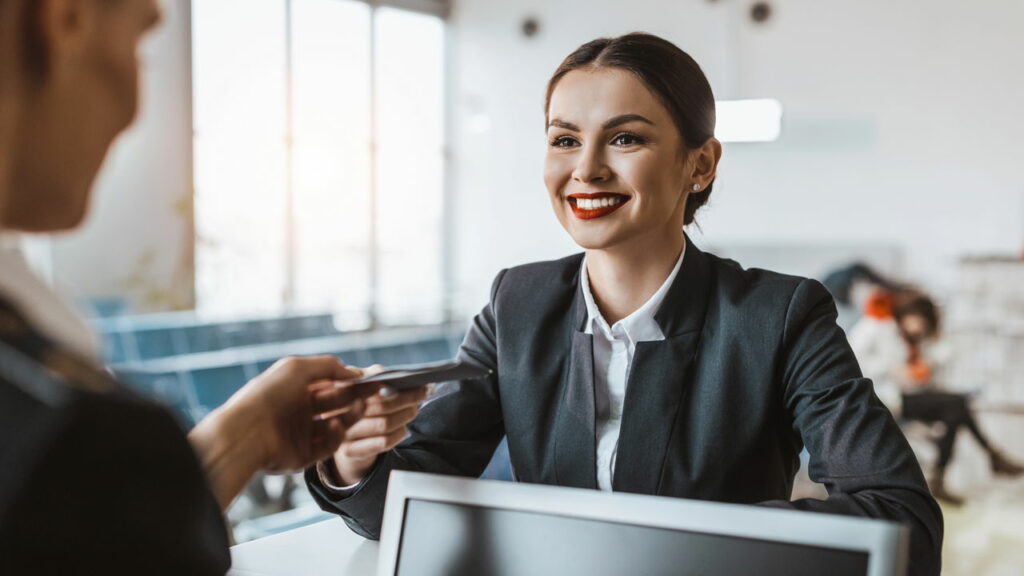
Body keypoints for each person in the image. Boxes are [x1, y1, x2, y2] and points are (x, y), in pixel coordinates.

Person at [306, 33, 944, 575]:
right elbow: (398, 503)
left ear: (699, 164)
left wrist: (670, 543)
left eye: (625, 139)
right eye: (563, 140)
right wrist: (353, 459)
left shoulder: (781, 315)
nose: (585, 169)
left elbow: (904, 525)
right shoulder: (516, 302)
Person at [0, 1, 424, 573]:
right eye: (139, 41)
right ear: (65, 20)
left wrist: (245, 435)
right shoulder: (69, 432)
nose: (131, 111)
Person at [849, 290, 1024, 504]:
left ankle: (956, 471)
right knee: (957, 405)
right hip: (882, 397)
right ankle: (988, 458)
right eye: (918, 320)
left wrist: (922, 369)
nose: (921, 328)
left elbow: (929, 366)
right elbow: (851, 361)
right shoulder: (878, 326)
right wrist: (895, 369)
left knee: (956, 410)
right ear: (907, 313)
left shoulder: (909, 339)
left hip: (905, 395)